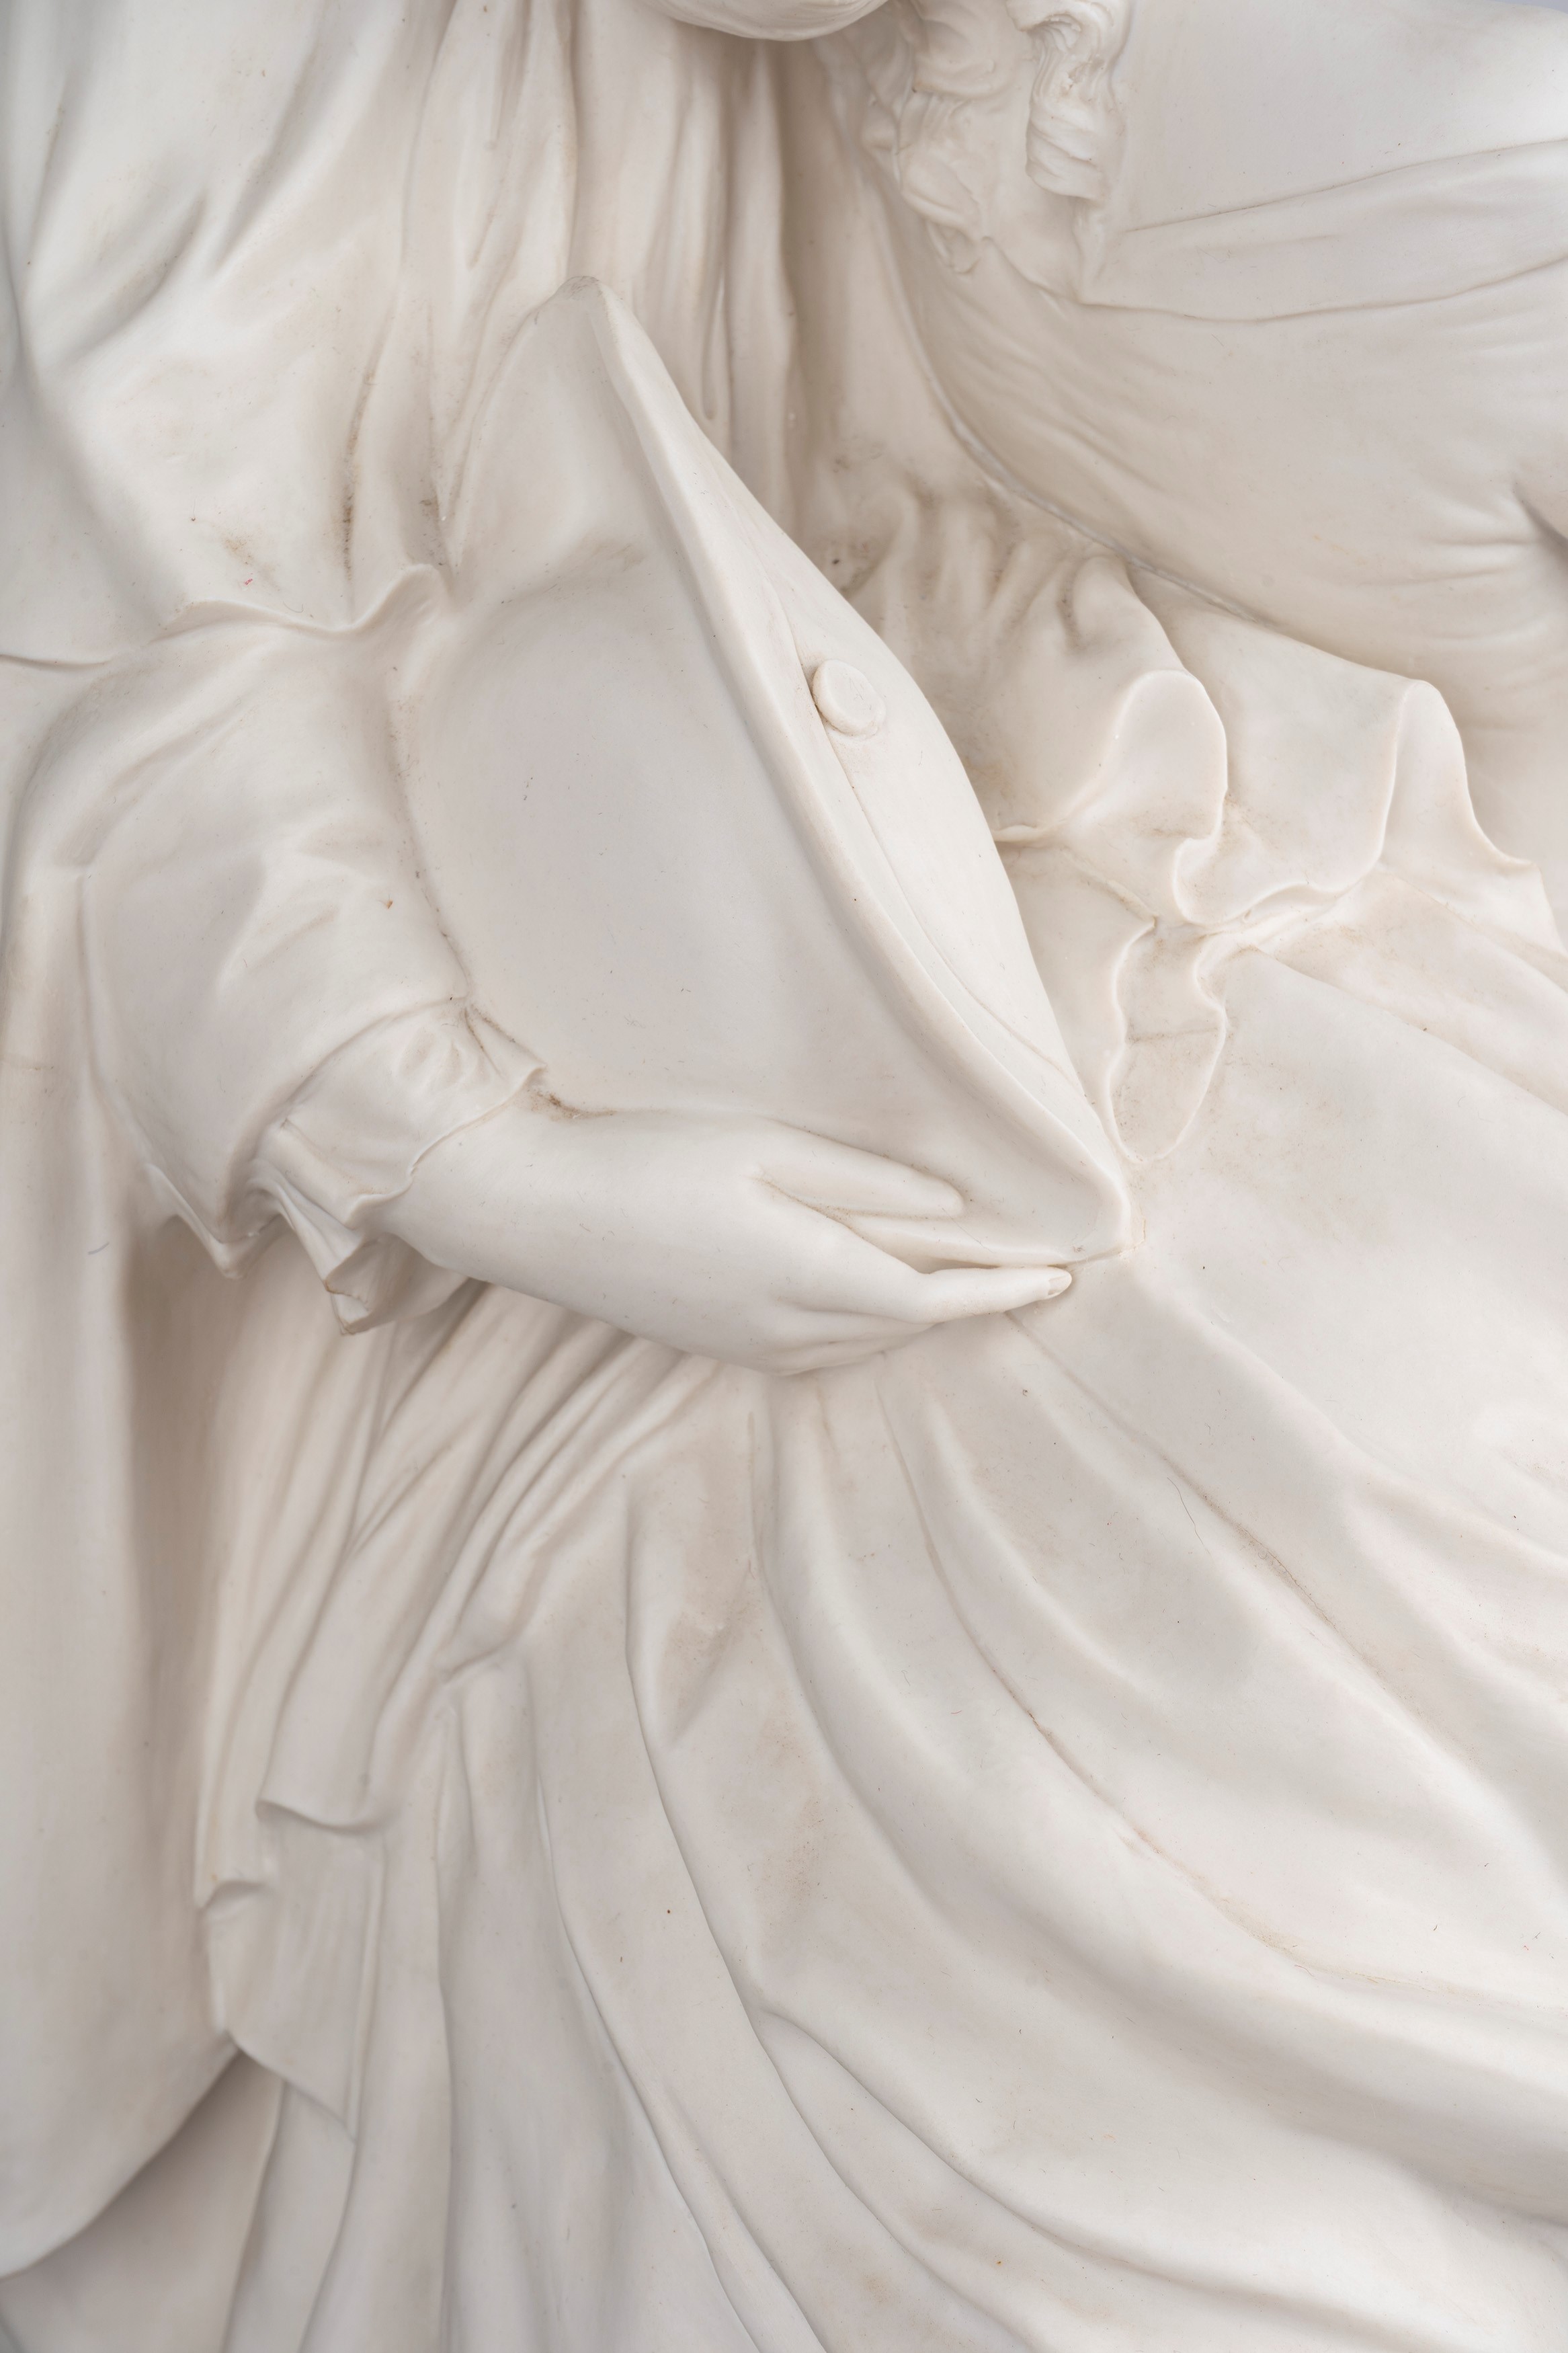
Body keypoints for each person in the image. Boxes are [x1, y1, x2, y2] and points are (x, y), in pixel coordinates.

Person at [6, 2, 1568, 2347]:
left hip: (1169, 918)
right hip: (663, 1149)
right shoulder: (238, 95)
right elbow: (118, 692)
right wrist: (507, 1171)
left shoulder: (1406, 142)